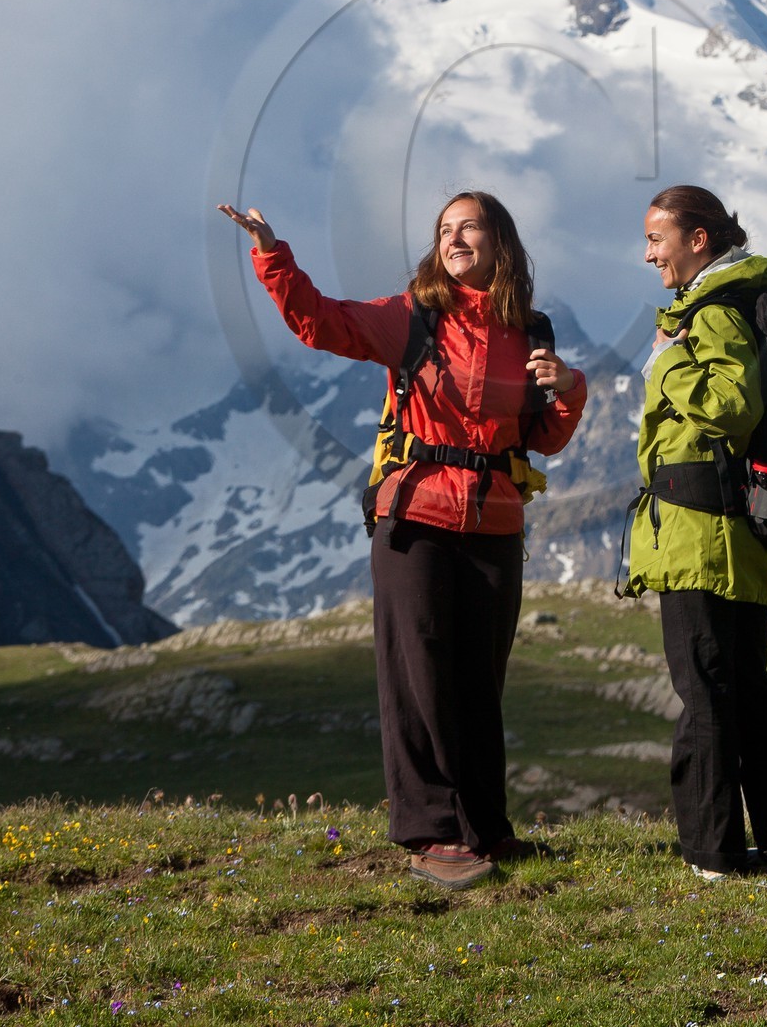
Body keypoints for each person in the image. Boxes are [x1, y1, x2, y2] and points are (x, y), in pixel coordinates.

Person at [219, 191, 587, 889]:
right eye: (444, 229)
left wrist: (568, 387)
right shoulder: (411, 315)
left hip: (496, 525)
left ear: (498, 243)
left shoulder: (529, 330)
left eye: (467, 227)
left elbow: (544, 438)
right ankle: (432, 832)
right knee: (419, 679)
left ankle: (485, 829)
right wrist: (273, 254)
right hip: (413, 519)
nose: (453, 238)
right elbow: (319, 323)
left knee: (480, 682)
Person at [624, 184, 767, 880]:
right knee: (748, 685)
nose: (649, 252)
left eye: (658, 238)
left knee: (704, 691)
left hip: (695, 536)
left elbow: (730, 405)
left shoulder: (709, 314)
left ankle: (710, 855)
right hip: (735, 531)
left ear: (698, 239)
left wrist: (667, 359)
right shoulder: (735, 302)